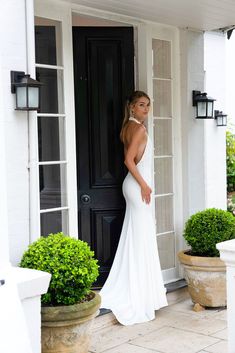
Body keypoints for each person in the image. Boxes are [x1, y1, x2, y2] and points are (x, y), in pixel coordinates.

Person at [99, 91, 168, 325]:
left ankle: (142, 290)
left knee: (138, 237)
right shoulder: (138, 129)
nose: (146, 109)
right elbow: (129, 160)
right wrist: (145, 185)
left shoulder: (127, 127)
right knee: (141, 238)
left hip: (133, 186)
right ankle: (140, 295)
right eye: (141, 105)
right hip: (138, 187)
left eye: (148, 105)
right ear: (131, 107)